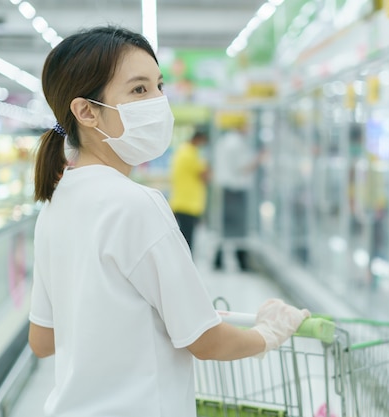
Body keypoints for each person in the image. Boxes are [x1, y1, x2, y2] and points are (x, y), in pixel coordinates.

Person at [27, 25, 310, 417]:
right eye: (139, 90)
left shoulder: (54, 206)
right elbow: (206, 342)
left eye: (159, 86)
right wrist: (268, 333)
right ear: (87, 111)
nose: (159, 101)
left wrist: (148, 315)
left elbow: (43, 339)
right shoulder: (136, 204)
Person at [212, 122, 264, 271]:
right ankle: (242, 262)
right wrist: (259, 159)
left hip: (225, 189)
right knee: (238, 229)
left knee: (224, 227)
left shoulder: (224, 141)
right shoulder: (237, 144)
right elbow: (243, 168)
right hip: (235, 190)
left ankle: (219, 260)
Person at [169, 127, 210, 253]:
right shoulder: (190, 154)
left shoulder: (182, 151)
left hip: (182, 201)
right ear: (199, 139)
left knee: (183, 239)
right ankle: (183, 269)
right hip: (188, 203)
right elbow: (205, 176)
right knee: (187, 243)